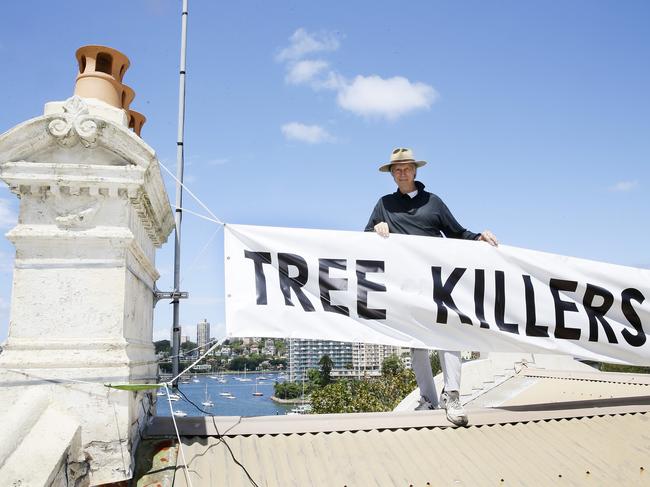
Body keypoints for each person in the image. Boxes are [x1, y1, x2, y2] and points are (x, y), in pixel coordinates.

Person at [365, 147, 498, 426]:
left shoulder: (433, 203)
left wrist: (479, 238)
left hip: (439, 283)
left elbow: (457, 233)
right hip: (405, 286)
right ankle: (428, 400)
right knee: (417, 344)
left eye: (407, 168)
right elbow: (363, 241)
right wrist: (377, 232)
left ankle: (454, 397)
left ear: (415, 171)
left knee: (447, 338)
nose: (402, 173)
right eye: (396, 170)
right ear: (392, 175)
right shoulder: (384, 205)